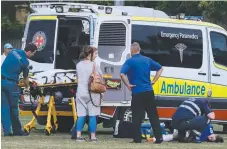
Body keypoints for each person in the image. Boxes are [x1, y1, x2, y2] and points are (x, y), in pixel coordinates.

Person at [120, 42, 164, 143]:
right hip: (149, 91)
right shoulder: (147, 60)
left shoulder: (130, 61)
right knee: (153, 116)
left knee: (137, 117)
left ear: (132, 50)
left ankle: (137, 139)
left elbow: (122, 74)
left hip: (138, 92)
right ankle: (159, 138)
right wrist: (154, 80)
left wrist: (128, 85)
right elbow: (160, 68)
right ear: (139, 49)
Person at [1, 43, 37, 136]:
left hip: (1, 82)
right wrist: (27, 86)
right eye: (33, 53)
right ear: (29, 51)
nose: (32, 55)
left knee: (4, 107)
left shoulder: (13, 51)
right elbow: (26, 79)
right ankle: (17, 131)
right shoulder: (25, 62)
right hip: (11, 84)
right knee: (13, 109)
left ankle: (7, 131)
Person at [71, 46, 103, 142]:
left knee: (81, 115)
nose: (96, 56)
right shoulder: (94, 65)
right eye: (95, 54)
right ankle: (93, 137)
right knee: (93, 114)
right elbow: (100, 77)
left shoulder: (78, 65)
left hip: (80, 92)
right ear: (90, 54)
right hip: (92, 93)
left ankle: (78, 135)